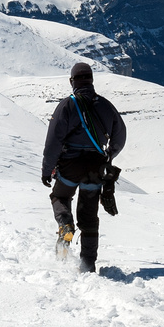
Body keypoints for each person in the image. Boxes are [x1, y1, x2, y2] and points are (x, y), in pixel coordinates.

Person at [42, 62, 126, 273]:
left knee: (60, 198)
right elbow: (120, 136)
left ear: (72, 82)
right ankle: (87, 265)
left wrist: (47, 169)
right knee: (89, 217)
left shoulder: (66, 106)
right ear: (91, 80)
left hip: (70, 165)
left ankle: (65, 227)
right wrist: (108, 156)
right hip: (95, 168)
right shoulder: (106, 106)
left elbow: (53, 141)